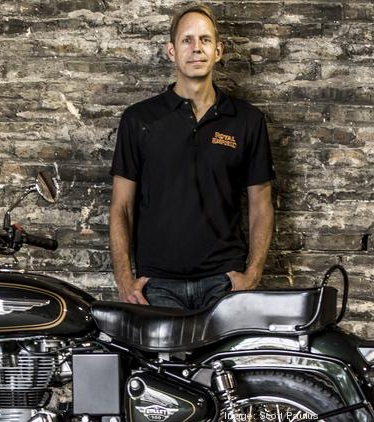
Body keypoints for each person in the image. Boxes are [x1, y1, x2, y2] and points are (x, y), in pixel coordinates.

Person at [109, 4, 275, 310]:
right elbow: (121, 207)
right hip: (157, 285)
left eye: (205, 40)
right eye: (187, 40)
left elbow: (261, 205)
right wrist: (124, 280)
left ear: (218, 51)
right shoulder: (139, 119)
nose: (196, 48)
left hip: (224, 284)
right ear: (171, 51)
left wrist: (251, 276)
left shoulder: (247, 121)